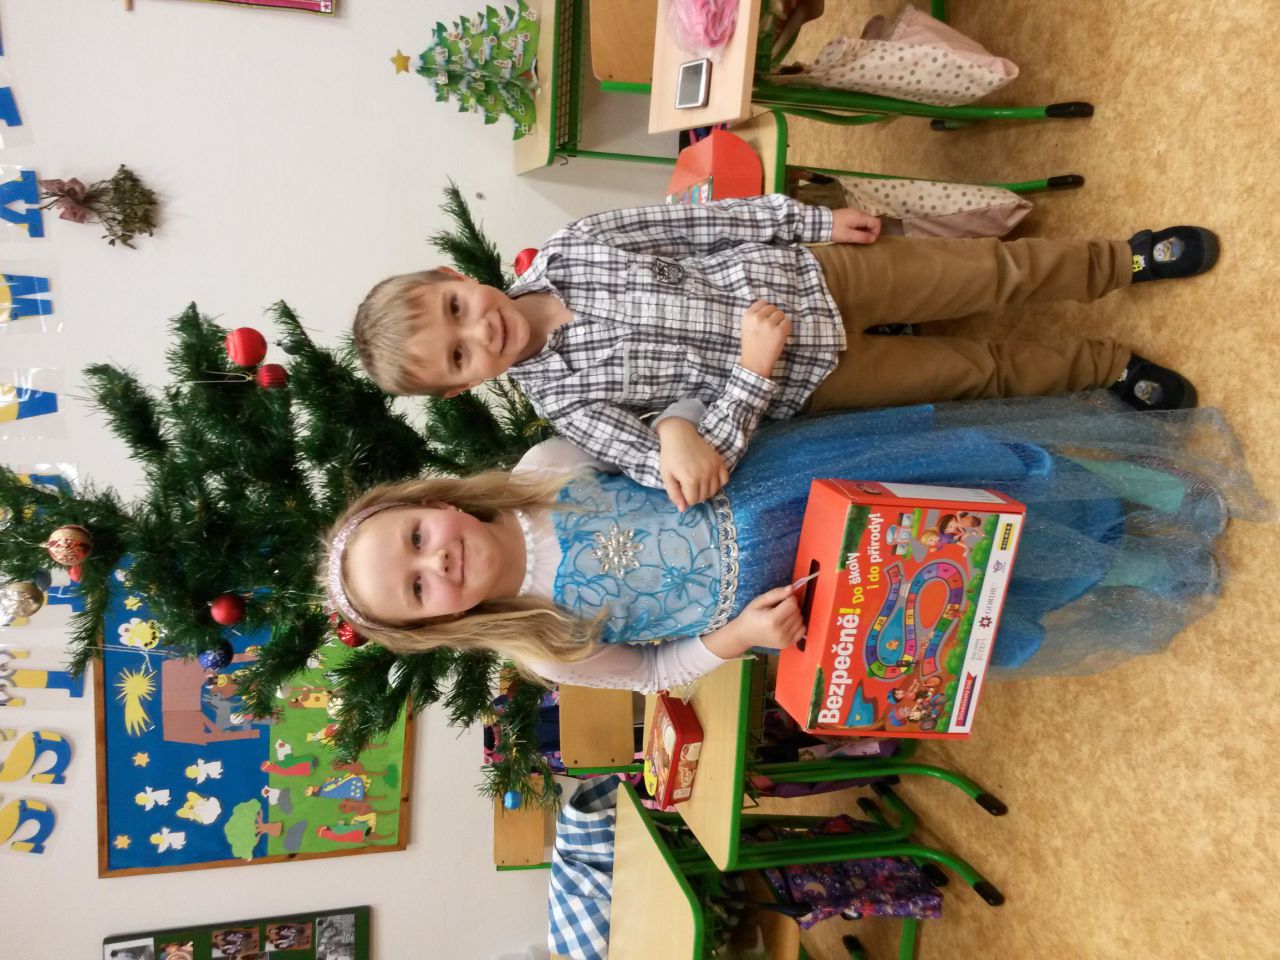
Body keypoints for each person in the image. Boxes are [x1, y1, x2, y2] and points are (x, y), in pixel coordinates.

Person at [322, 393, 1265, 690]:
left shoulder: (546, 465)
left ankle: (1136, 488)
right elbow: (655, 673)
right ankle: (1127, 563)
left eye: (416, 538)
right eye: (417, 587)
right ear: (437, 623)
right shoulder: (545, 648)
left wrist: (675, 433)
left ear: (430, 502)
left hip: (802, 482)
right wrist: (736, 640)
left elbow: (665, 415)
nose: (435, 561)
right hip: (815, 590)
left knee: (977, 477)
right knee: (970, 567)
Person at [353, 195, 1218, 510]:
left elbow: (704, 224)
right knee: (978, 375)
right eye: (459, 356)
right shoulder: (569, 407)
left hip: (816, 275)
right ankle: (1108, 370)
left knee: (988, 273)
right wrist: (750, 373)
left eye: (458, 309)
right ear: (463, 389)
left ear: (455, 274)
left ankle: (1123, 261)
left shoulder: (575, 246)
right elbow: (684, 465)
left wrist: (809, 220)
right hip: (814, 378)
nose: (480, 332)